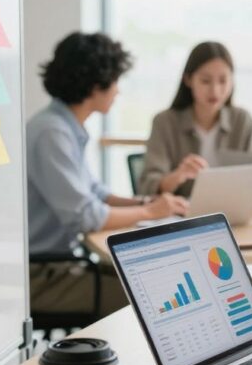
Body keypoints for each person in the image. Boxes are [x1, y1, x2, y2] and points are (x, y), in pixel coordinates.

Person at [27, 32, 187, 316]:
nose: (118, 91)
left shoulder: (62, 127)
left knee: (150, 282)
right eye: (115, 81)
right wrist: (150, 212)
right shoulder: (52, 132)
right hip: (41, 275)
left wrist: (144, 204)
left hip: (60, 265)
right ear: (94, 85)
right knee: (154, 296)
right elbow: (86, 215)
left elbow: (97, 194)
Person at [137, 41, 252, 197]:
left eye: (223, 81)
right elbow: (147, 186)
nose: (215, 90)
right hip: (184, 216)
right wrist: (179, 175)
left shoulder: (242, 120)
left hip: (234, 214)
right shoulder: (164, 122)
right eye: (205, 81)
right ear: (188, 79)